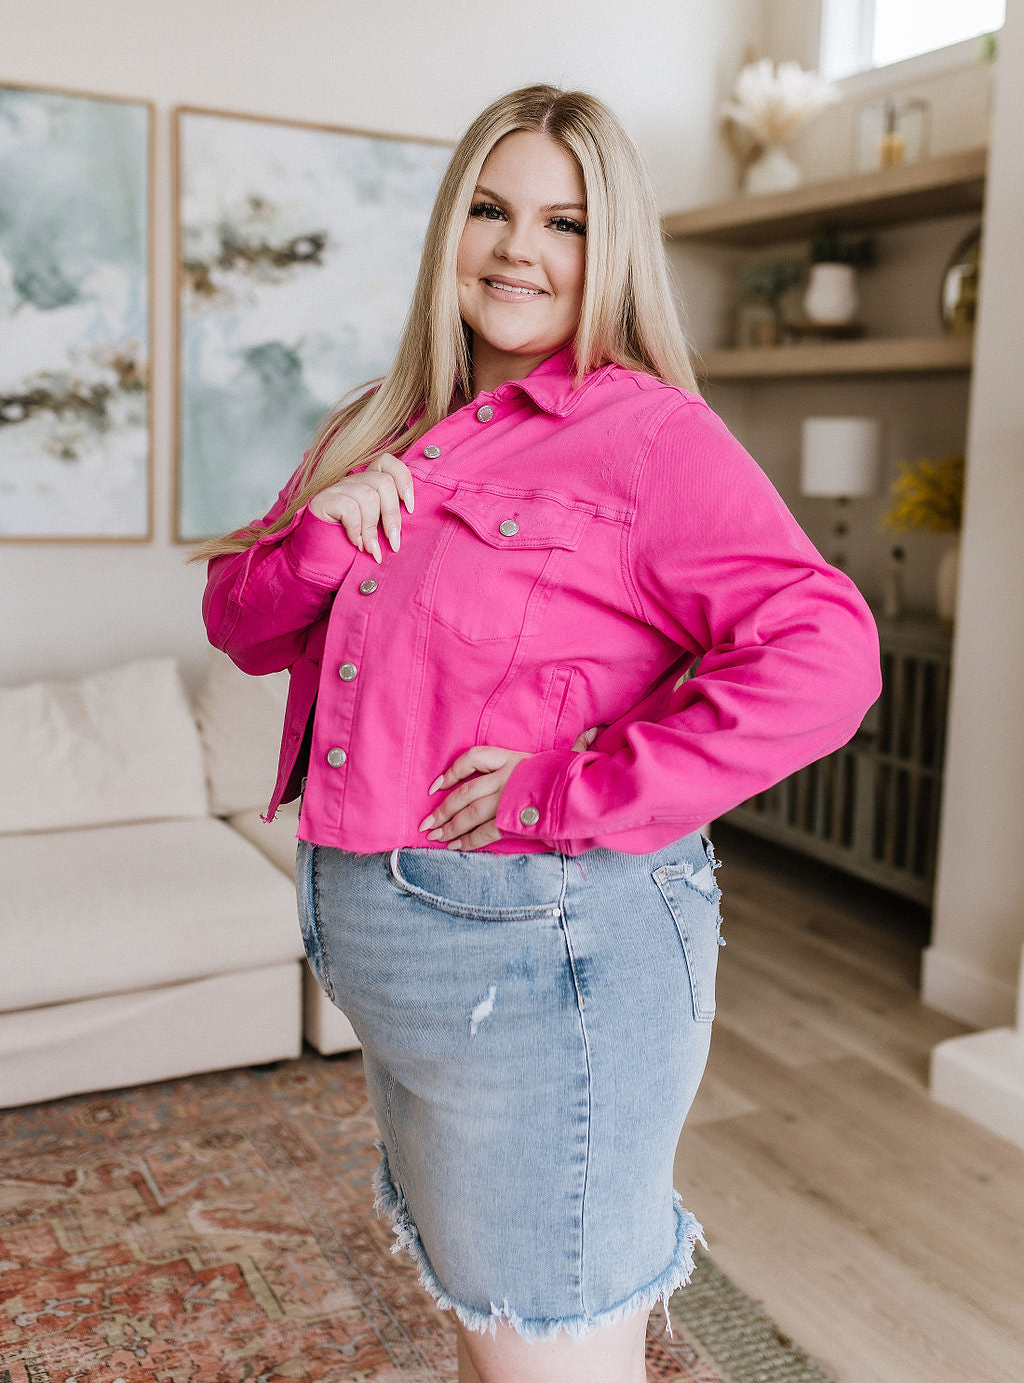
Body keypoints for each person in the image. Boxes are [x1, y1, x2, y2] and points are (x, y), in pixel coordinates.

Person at [198, 84, 881, 1383]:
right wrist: (322, 535)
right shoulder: (376, 423)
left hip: (554, 961)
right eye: (493, 210)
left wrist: (566, 785)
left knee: (554, 1351)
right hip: (412, 965)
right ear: (451, 224)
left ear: (611, 248)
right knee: (497, 1322)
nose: (520, 248)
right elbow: (239, 621)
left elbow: (826, 657)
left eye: (565, 222)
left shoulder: (648, 439)